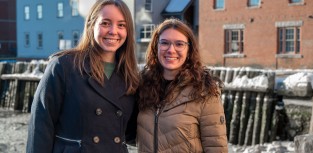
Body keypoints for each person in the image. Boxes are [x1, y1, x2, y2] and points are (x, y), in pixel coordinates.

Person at [26, 0, 139, 152]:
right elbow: (40, 125)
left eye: (121, 25)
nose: (113, 31)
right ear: (91, 25)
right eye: (105, 23)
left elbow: (135, 132)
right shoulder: (64, 66)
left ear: (128, 31)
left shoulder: (131, 76)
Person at [136, 18, 228, 153]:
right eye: (165, 43)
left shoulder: (204, 91)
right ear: (156, 46)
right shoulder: (143, 86)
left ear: (189, 49)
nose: (171, 50)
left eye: (179, 44)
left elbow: (216, 148)